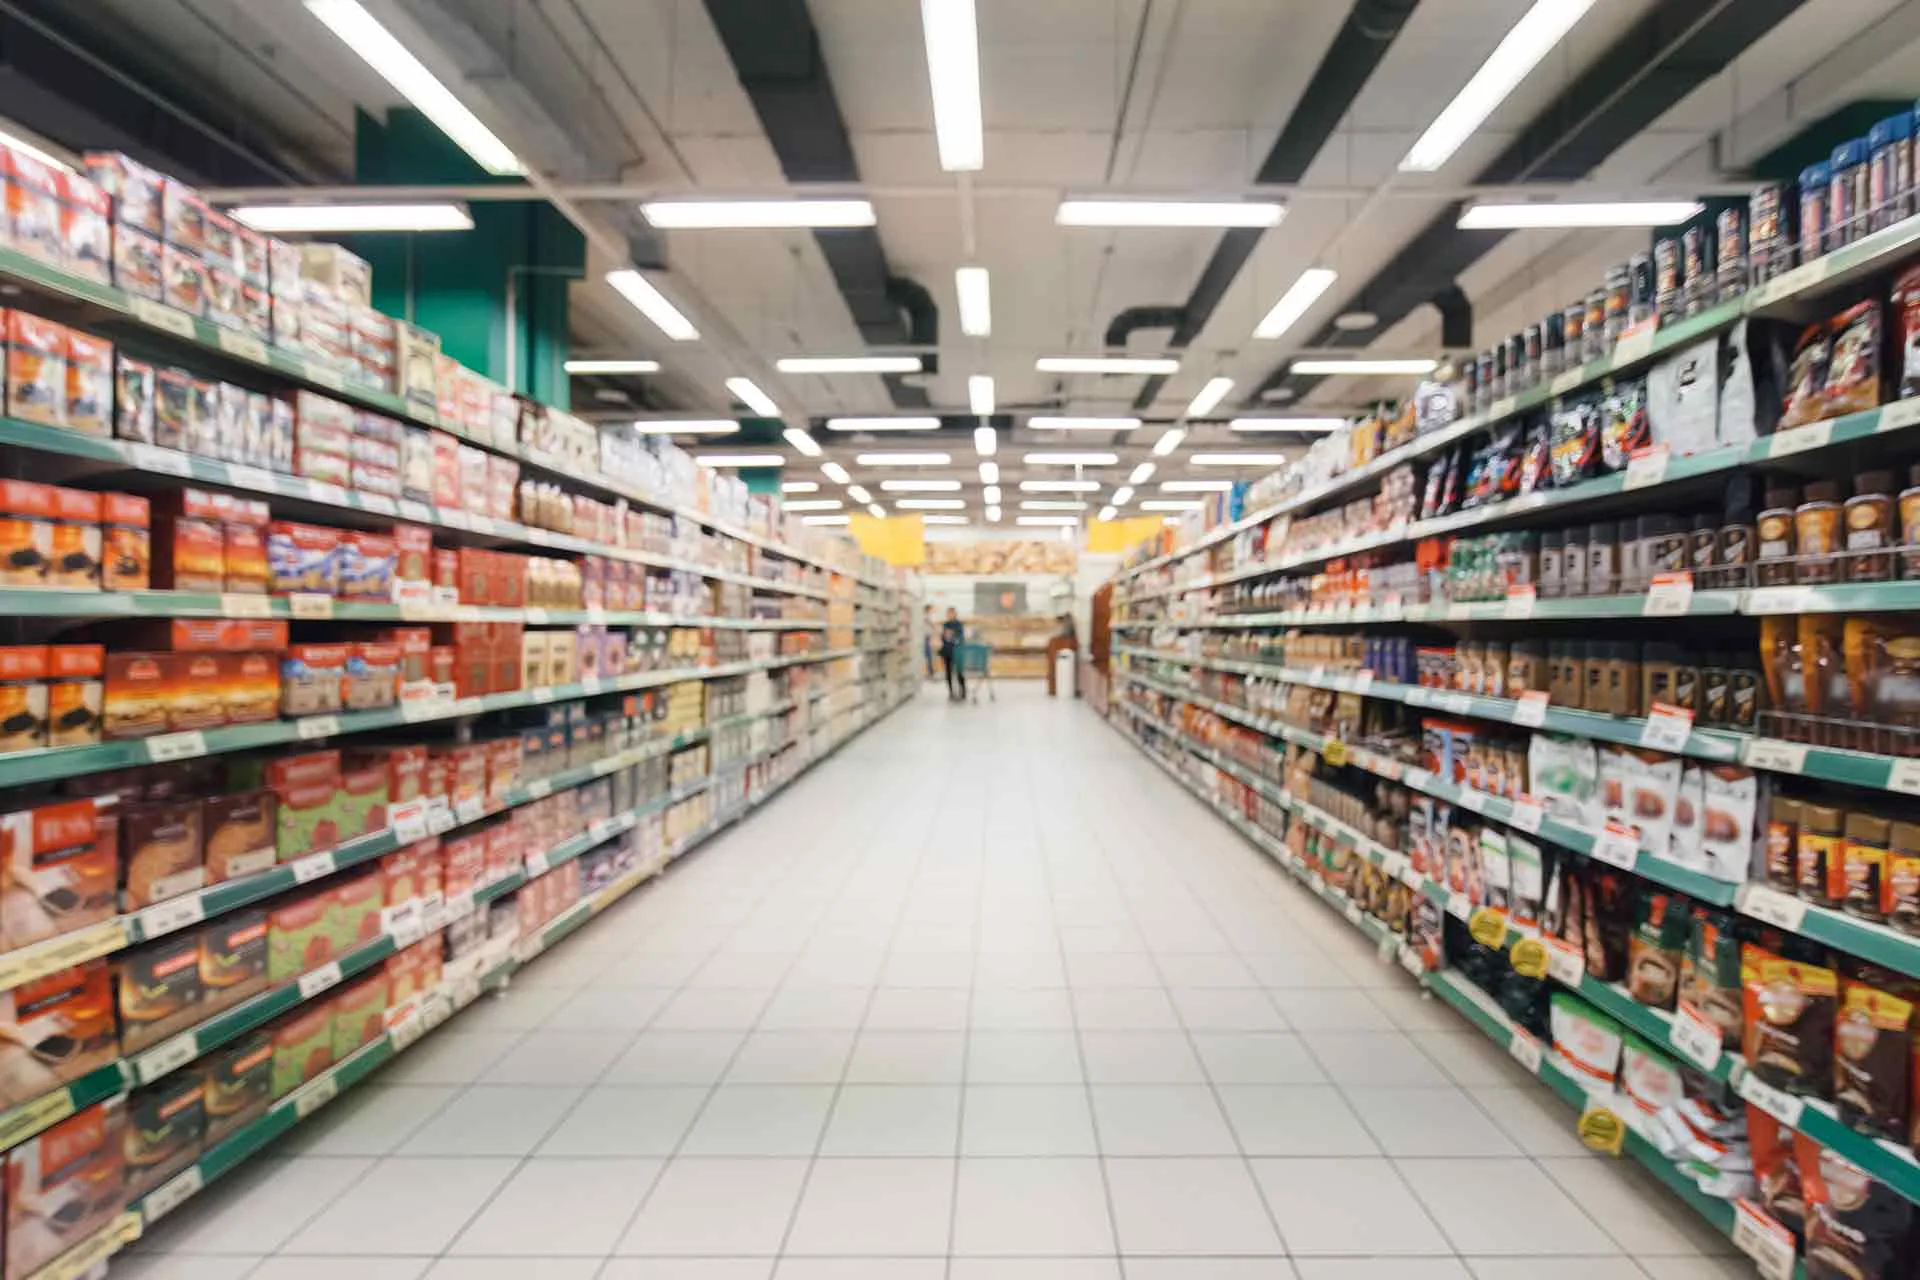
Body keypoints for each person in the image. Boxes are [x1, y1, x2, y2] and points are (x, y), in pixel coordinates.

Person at [939, 608, 967, 701]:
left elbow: (961, 637)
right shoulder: (945, 624)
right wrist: (945, 637)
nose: (950, 615)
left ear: (955, 614)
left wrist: (953, 637)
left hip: (957, 651)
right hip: (947, 651)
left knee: (959, 672)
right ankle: (951, 692)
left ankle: (963, 691)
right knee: (948, 673)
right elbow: (943, 637)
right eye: (948, 613)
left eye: (952, 613)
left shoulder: (959, 624)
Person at [922, 605, 935, 679]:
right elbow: (931, 623)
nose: (932, 611)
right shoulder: (925, 616)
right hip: (924, 638)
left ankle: (930, 671)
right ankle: (930, 671)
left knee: (928, 655)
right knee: (927, 655)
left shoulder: (926, 616)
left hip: (927, 637)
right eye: (931, 609)